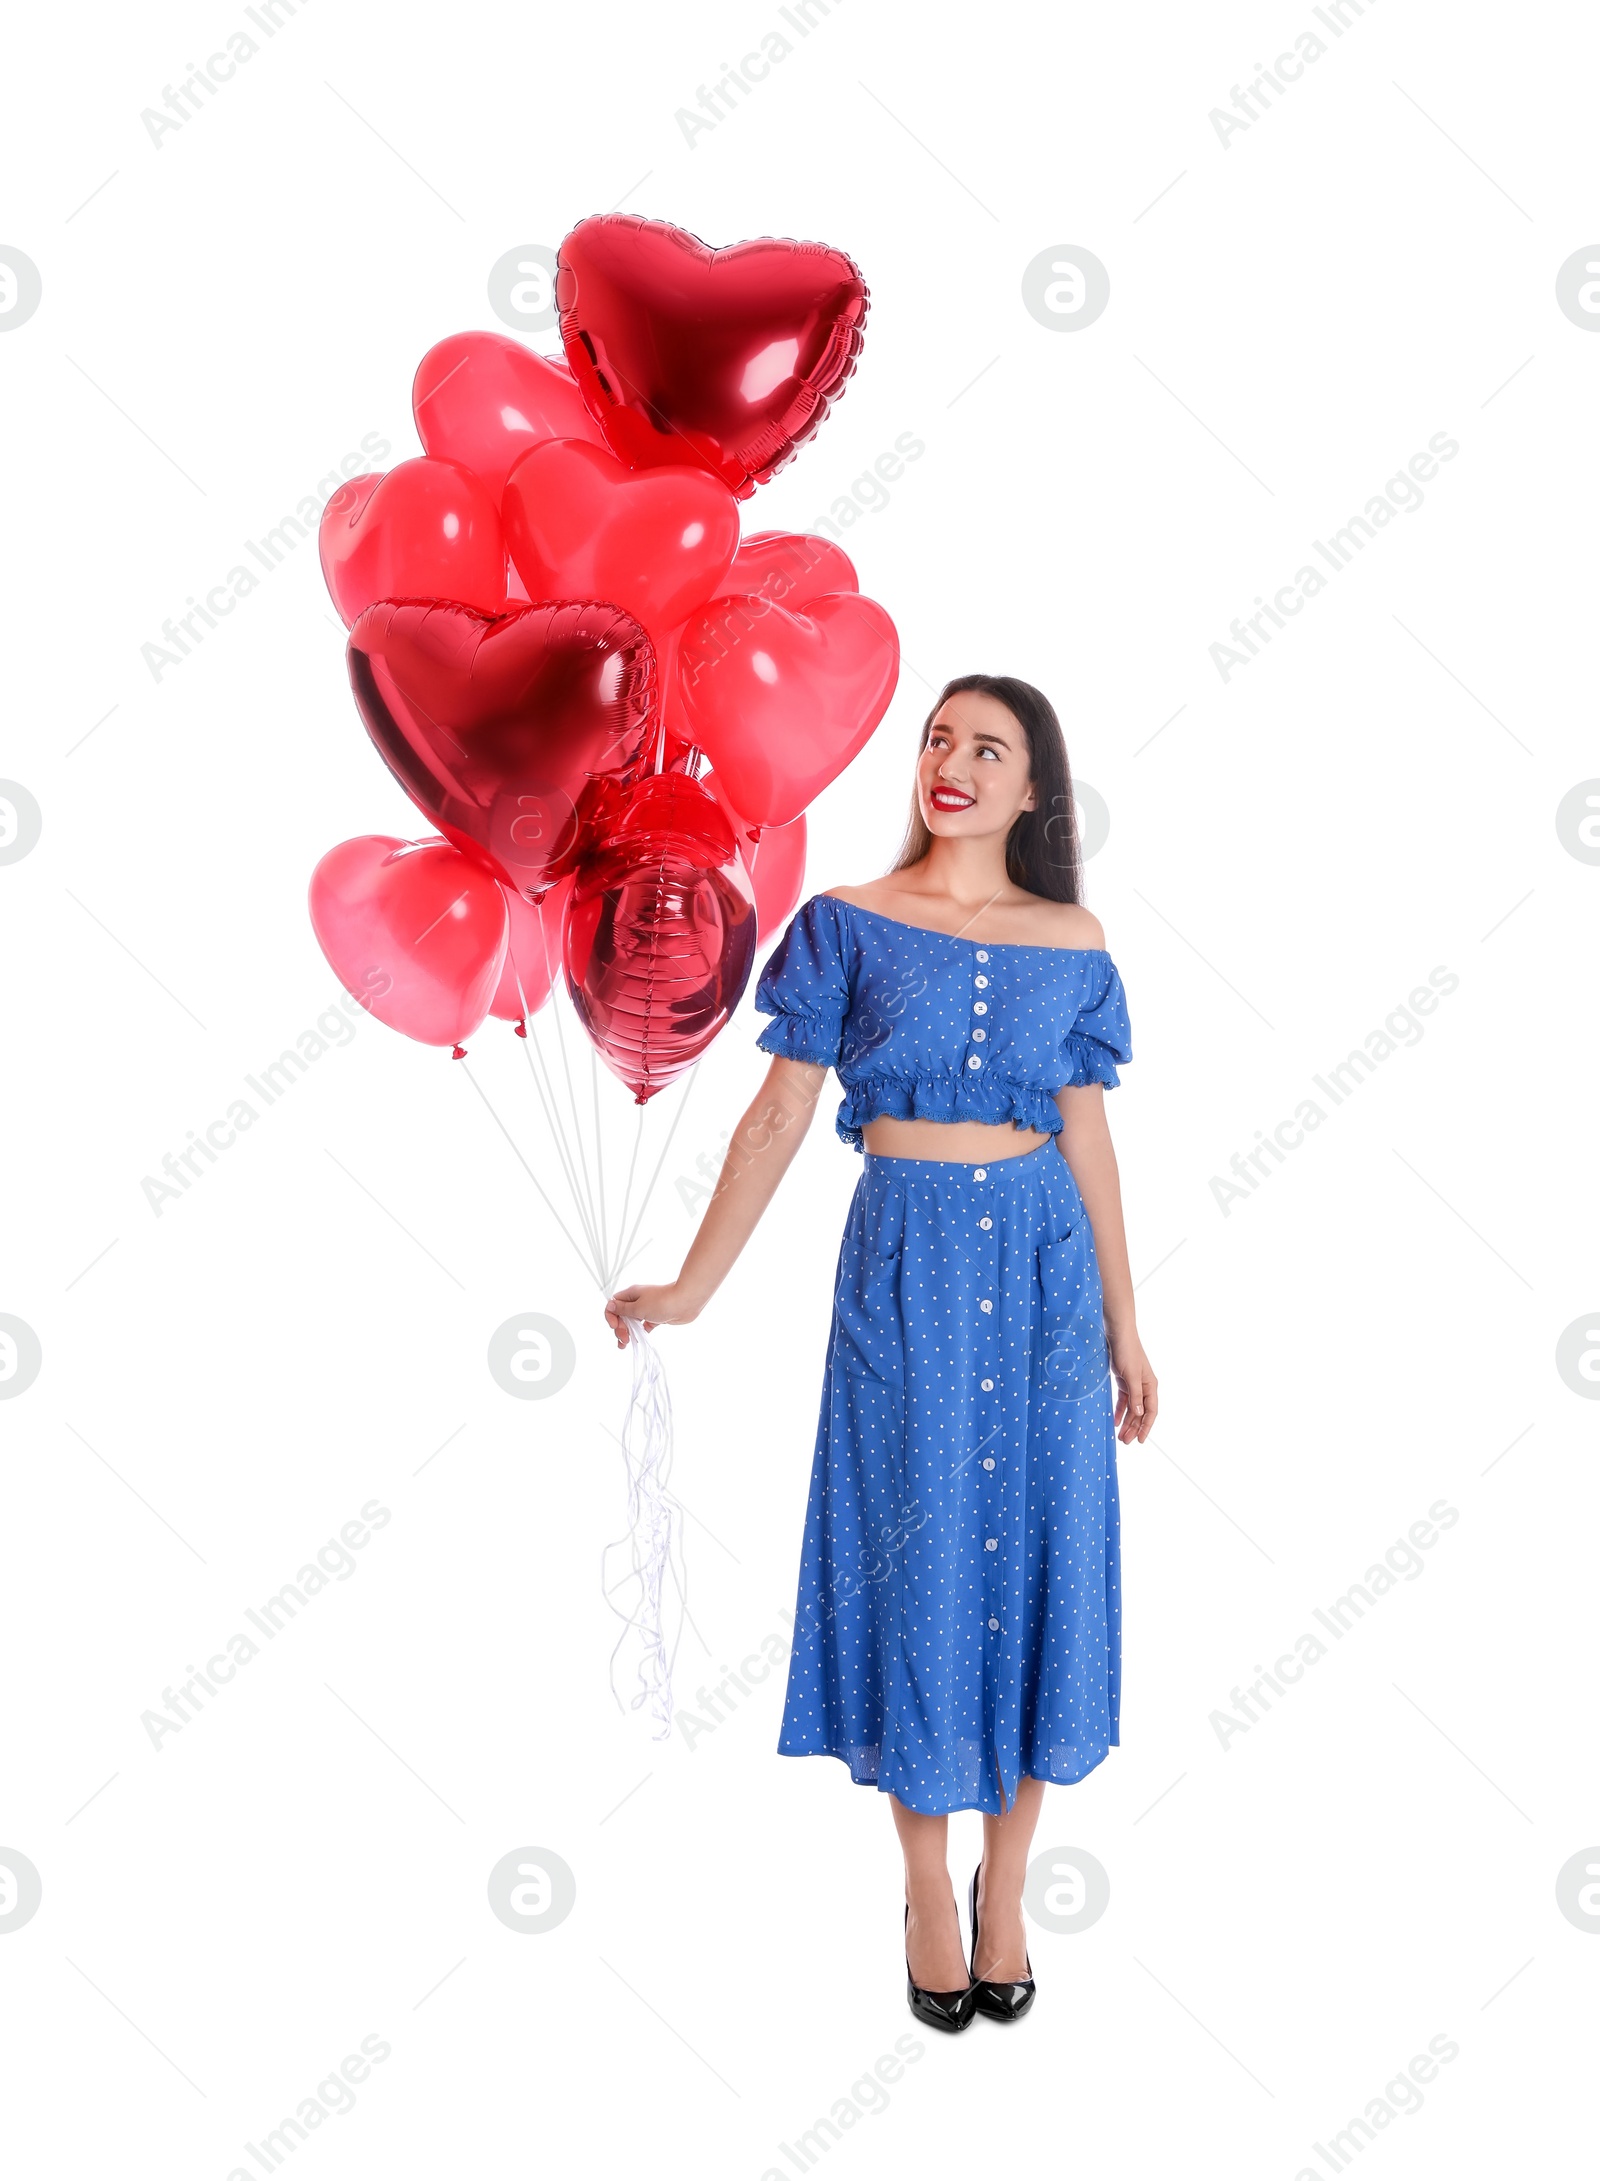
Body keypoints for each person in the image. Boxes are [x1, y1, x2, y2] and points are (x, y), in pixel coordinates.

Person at [604, 673, 1158, 2032]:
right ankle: (925, 1884)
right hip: (904, 1258)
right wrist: (689, 1287)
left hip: (1041, 1266)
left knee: (1039, 1541)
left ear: (1034, 791)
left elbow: (1088, 1131)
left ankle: (1009, 1882)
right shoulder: (846, 925)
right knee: (909, 1544)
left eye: (988, 747)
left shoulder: (1074, 937)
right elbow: (779, 1117)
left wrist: (1128, 1323)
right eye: (937, 737)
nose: (951, 762)